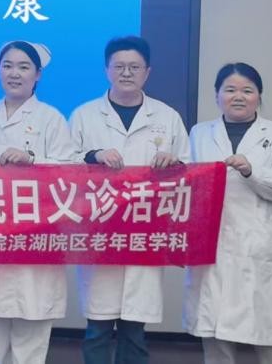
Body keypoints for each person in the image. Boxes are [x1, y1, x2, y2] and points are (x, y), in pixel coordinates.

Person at [69, 35, 190, 364]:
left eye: (134, 67)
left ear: (147, 72)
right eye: (119, 66)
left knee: (135, 329)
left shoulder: (166, 117)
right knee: (97, 327)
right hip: (100, 231)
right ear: (106, 70)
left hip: (144, 232)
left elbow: (190, 171)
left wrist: (174, 163)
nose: (126, 73)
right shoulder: (84, 115)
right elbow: (63, 166)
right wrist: (93, 155)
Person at [0, 41, 76, 364]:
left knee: (32, 324)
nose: (14, 73)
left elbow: (70, 172)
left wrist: (32, 159)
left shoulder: (51, 118)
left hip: (36, 234)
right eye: (8, 66)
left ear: (37, 75)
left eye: (23, 67)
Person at [184, 63, 272, 364]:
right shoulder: (199, 133)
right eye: (230, 90)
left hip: (258, 244)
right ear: (217, 95)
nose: (238, 96)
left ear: (259, 96)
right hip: (213, 244)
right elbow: (187, 184)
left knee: (270, 333)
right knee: (215, 333)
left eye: (247, 90)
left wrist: (252, 171)